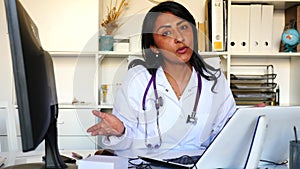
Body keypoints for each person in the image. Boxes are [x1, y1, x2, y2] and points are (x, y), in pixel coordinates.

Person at [87, 1, 236, 157]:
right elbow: (126, 145)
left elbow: (228, 135)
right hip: (150, 164)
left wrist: (250, 121)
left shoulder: (215, 81)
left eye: (184, 27)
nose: (179, 38)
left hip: (202, 163)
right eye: (166, 33)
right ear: (154, 47)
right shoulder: (138, 80)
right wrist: (121, 132)